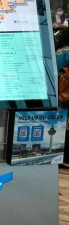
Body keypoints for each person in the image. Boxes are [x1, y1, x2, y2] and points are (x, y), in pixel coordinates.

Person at [55, 28, 69, 169]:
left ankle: (60, 156)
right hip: (67, 94)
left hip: (58, 93)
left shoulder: (60, 51)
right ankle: (66, 158)